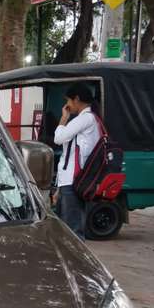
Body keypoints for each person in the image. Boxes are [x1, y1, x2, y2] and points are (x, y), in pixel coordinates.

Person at [53, 83, 101, 239]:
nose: (67, 105)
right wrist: (59, 188)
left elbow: (58, 138)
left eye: (68, 100)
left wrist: (63, 119)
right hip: (70, 182)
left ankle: (75, 262)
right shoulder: (91, 120)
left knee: (73, 232)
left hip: (73, 183)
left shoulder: (85, 119)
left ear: (77, 99)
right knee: (66, 231)